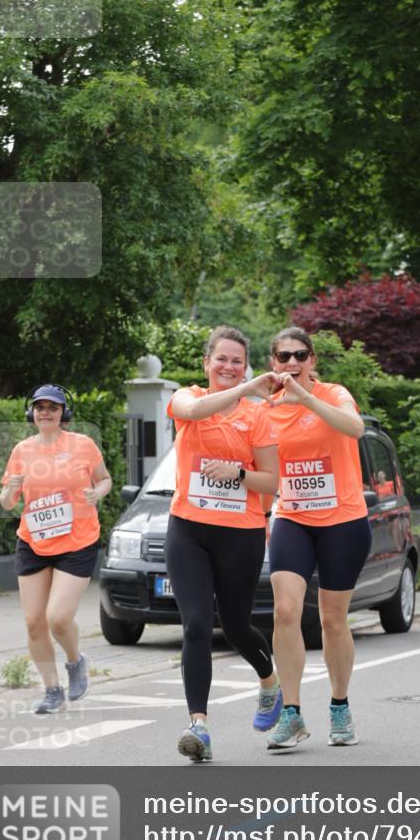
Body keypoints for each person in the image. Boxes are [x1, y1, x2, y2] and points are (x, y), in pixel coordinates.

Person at [166, 325, 282, 762]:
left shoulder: (258, 416)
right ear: (207, 363)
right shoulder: (186, 397)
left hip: (241, 532)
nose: (229, 367)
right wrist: (249, 388)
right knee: (196, 625)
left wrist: (235, 474)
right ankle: (199, 727)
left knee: (234, 626)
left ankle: (269, 682)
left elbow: (271, 481)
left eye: (238, 361)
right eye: (222, 359)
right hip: (188, 529)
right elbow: (193, 412)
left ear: (244, 365)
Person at [265, 327, 371, 750]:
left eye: (300, 355)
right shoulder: (266, 408)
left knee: (331, 619)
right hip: (292, 516)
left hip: (343, 520)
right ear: (273, 362)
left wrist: (306, 398)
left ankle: (340, 705)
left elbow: (356, 427)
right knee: (285, 609)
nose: (292, 363)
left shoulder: (334, 393)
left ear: (313, 360)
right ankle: (291, 713)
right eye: (284, 357)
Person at [0, 384, 112, 713]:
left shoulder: (83, 445)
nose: (46, 412)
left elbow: (104, 478)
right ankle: (51, 691)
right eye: (40, 407)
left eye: (53, 407)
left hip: (77, 541)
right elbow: (7, 502)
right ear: (30, 412)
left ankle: (76, 661)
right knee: (34, 622)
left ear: (65, 413)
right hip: (34, 541)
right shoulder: (22, 450)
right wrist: (11, 490)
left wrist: (98, 493)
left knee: (58, 618)